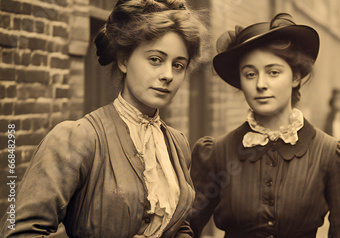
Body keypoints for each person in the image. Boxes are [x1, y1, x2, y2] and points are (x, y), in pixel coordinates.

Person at [0, 0, 205, 237]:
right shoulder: (76, 138)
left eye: (178, 65)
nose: (168, 75)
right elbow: (21, 231)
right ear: (124, 61)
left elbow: (180, 225)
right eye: (155, 60)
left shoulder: (177, 145)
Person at [190, 13, 340, 238]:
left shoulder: (331, 155)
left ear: (295, 78)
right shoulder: (216, 153)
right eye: (250, 74)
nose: (261, 84)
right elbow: (185, 227)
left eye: (273, 72)